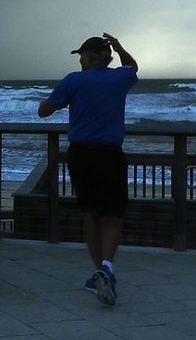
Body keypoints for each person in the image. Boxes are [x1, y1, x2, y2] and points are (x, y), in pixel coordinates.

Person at [37, 32, 138, 307]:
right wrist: (119, 47)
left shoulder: (73, 80)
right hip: (110, 154)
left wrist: (57, 101)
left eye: (82, 54)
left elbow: (44, 111)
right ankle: (105, 268)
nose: (80, 59)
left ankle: (101, 272)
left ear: (91, 56)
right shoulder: (120, 78)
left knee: (90, 213)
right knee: (113, 214)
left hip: (80, 154)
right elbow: (133, 67)